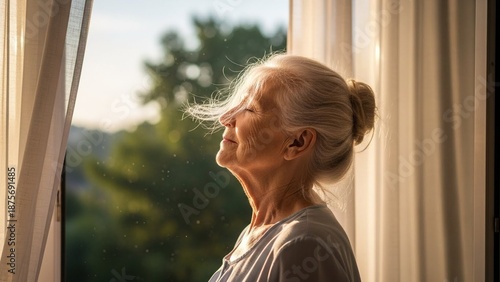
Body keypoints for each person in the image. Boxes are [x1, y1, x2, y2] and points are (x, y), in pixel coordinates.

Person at [187, 54, 376, 282]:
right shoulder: (265, 231)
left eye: (249, 108)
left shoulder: (303, 244)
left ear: (297, 142)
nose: (226, 118)